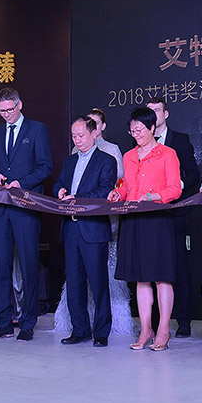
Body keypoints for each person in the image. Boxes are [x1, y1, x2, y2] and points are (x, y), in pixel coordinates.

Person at [53, 108, 136, 337]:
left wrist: (76, 198)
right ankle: (79, 330)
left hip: (94, 229)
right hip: (71, 228)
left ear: (93, 133)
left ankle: (101, 332)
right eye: (74, 136)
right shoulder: (69, 161)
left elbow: (103, 191)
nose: (77, 140)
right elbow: (58, 182)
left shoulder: (106, 160)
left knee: (99, 283)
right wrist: (60, 190)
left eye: (81, 135)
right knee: (74, 282)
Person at [0, 88, 53, 341]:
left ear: (20, 105)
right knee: (0, 267)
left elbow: (45, 166)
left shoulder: (37, 130)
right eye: (1, 111)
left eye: (10, 109)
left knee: (28, 264)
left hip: (25, 207)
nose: (6, 114)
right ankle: (3, 323)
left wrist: (21, 183)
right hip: (1, 209)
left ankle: (27, 323)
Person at [108, 107, 182, 351]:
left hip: (157, 220)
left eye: (140, 129)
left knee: (162, 277)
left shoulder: (167, 154)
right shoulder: (129, 156)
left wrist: (153, 196)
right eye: (132, 130)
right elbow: (128, 187)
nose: (136, 134)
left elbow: (175, 189)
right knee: (140, 278)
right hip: (133, 220)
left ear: (152, 128)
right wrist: (118, 193)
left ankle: (163, 330)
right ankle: (146, 329)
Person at [145, 96, 199, 338]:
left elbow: (193, 175)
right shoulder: (140, 142)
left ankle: (183, 321)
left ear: (166, 114)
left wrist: (175, 188)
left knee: (179, 267)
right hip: (149, 215)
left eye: (157, 110)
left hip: (176, 211)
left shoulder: (180, 140)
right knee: (152, 269)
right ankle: (155, 323)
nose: (153, 115)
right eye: (149, 111)